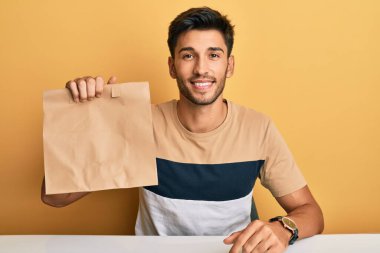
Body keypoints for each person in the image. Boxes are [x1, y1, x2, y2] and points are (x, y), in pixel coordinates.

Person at [41, 7, 323, 253]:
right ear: (172, 66)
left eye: (214, 55)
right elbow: (54, 197)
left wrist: (284, 228)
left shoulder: (258, 128)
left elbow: (312, 214)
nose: (201, 69)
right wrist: (89, 116)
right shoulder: (141, 123)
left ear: (229, 65)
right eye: (188, 56)